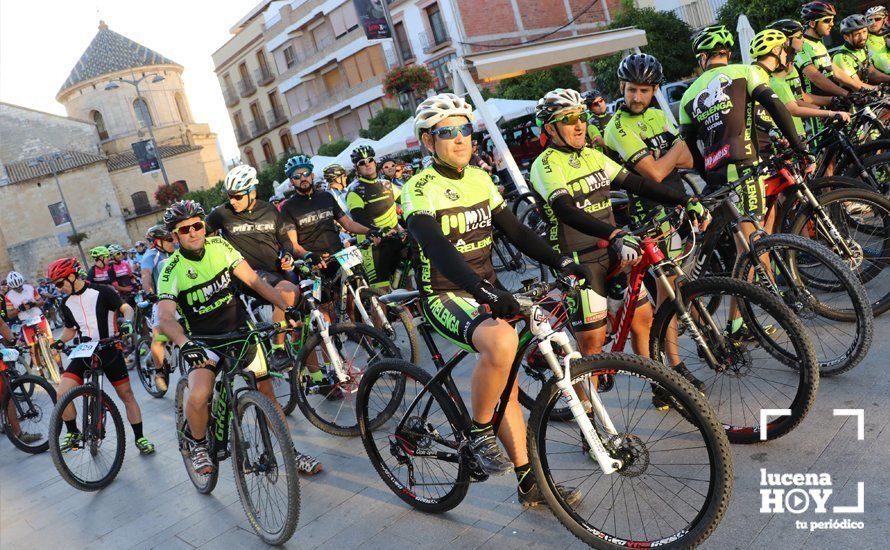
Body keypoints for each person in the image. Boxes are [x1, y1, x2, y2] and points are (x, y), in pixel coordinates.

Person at [403, 92, 591, 506]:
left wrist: (561, 260)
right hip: (445, 293)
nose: (459, 138)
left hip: (483, 289)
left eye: (464, 129)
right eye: (446, 132)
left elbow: (517, 233)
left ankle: (529, 483)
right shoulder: (419, 189)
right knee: (502, 343)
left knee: (507, 369)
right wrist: (481, 289)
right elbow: (436, 247)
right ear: (427, 141)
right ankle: (477, 430)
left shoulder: (481, 178)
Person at [533, 88, 706, 410]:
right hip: (580, 259)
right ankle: (592, 420)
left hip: (611, 248)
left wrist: (686, 200)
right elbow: (567, 211)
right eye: (569, 120)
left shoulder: (591, 155)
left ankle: (659, 384)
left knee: (642, 319)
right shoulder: (546, 165)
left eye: (581, 117)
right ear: (550, 129)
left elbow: (636, 183)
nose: (579, 125)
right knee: (593, 346)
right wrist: (614, 233)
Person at [156, 200, 322, 476]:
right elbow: (165, 318)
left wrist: (286, 306)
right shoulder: (171, 269)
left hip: (240, 332)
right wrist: (185, 344)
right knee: (200, 392)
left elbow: (255, 282)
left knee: (266, 394)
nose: (194, 233)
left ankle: (291, 453)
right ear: (175, 236)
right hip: (204, 340)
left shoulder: (220, 248)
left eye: (198, 226)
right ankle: (197, 445)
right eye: (185, 230)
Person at [47, 257, 156, 456]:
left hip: (109, 348)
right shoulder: (65, 303)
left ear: (72, 276)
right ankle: (73, 433)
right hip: (84, 352)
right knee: (62, 392)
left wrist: (127, 322)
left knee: (127, 396)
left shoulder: (102, 291)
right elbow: (70, 330)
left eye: (60, 283)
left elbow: (127, 309)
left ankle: (140, 437)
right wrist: (60, 341)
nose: (59, 288)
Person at [205, 164, 299, 369]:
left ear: (252, 192)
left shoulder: (270, 209)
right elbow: (201, 239)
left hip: (276, 272)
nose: (232, 201)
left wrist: (288, 254)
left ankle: (315, 376)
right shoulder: (221, 213)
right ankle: (278, 350)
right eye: (230, 196)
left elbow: (284, 240)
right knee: (289, 293)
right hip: (246, 275)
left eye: (237, 196)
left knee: (303, 317)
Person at [345, 145, 403, 290]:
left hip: (394, 239)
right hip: (372, 246)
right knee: (381, 293)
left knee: (407, 282)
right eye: (362, 162)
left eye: (370, 160)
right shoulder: (354, 190)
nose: (367, 164)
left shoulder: (387, 184)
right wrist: (377, 231)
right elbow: (359, 219)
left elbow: (407, 203)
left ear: (375, 162)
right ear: (357, 168)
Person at [139, 225, 176, 391]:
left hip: (179, 299)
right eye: (169, 239)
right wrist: (149, 292)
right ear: (157, 242)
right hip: (160, 301)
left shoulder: (175, 253)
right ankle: (159, 372)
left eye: (172, 238)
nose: (172, 241)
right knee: (159, 337)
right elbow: (146, 275)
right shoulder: (151, 255)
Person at [796, 2, 854, 99]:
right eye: (827, 20)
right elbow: (816, 78)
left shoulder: (819, 43)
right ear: (812, 23)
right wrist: (845, 93)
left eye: (832, 20)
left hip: (834, 102)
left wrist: (860, 88)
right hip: (817, 107)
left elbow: (836, 72)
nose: (832, 24)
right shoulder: (802, 45)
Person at [4, 271, 57, 373]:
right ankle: (40, 373)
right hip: (25, 322)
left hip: (38, 317)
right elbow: (10, 314)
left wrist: (33, 303)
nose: (18, 289)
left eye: (20, 286)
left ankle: (61, 368)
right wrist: (20, 308)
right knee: (32, 349)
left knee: (51, 343)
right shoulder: (8, 296)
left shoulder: (30, 288)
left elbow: (41, 302)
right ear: (11, 287)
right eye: (16, 288)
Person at [833, 15, 890, 88]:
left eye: (864, 32)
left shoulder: (862, 48)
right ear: (846, 37)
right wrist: (877, 88)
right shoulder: (841, 57)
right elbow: (856, 85)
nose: (863, 37)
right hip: (851, 96)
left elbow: (872, 73)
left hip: (865, 93)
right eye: (857, 34)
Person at [865, 6, 890, 73]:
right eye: (870, 20)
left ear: (885, 19)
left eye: (877, 19)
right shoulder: (863, 37)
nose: (873, 23)